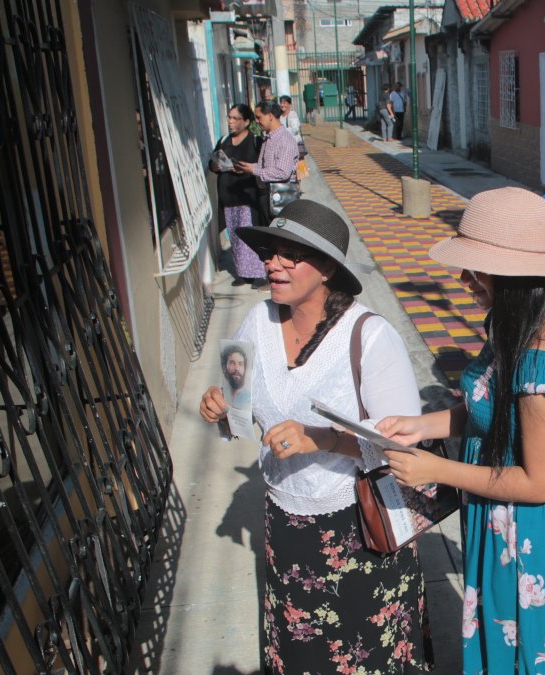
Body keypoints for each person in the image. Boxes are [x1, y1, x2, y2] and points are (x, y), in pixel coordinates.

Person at [197, 201, 430, 672]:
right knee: (302, 655)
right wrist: (220, 408)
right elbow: (240, 410)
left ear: (326, 267)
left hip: (360, 531)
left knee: (367, 656)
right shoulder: (256, 321)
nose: (272, 264)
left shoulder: (369, 336)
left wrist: (324, 439)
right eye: (269, 252)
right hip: (286, 527)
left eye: (290, 254)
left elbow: (407, 449)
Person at [376, 187, 545, 673]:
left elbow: (539, 483)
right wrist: (418, 425)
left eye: (476, 268)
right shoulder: (508, 324)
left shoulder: (542, 357)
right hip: (498, 517)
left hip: (526, 535)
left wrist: (436, 467)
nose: (466, 278)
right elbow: (486, 411)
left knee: (523, 658)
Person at [209, 103, 263, 284]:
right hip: (228, 199)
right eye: (229, 118)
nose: (231, 122)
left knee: (248, 236)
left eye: (235, 118)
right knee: (235, 238)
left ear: (246, 121)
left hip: (246, 197)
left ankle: (256, 273)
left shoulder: (254, 141)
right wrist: (216, 166)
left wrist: (246, 169)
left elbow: (260, 166)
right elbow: (213, 162)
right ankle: (243, 273)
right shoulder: (224, 140)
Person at [235, 99, 301, 219]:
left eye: (259, 117)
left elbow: (282, 173)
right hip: (268, 199)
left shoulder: (285, 140)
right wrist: (247, 168)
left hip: (280, 202)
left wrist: (255, 170)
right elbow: (264, 166)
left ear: (270, 116)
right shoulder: (269, 138)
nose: (256, 121)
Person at [221, 343, 250, 408]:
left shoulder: (249, 398)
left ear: (245, 368)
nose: (237, 368)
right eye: (232, 363)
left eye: (240, 364)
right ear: (225, 367)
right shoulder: (223, 394)